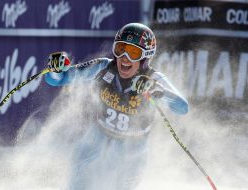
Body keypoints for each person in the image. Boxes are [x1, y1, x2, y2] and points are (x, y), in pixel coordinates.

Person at [45, 23, 188, 190]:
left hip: (133, 144)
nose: (125, 57)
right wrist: (55, 70)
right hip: (99, 134)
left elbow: (183, 107)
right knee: (80, 167)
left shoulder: (154, 78)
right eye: (121, 49)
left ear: (145, 58)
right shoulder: (103, 67)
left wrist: (159, 91)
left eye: (134, 53)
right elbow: (59, 79)